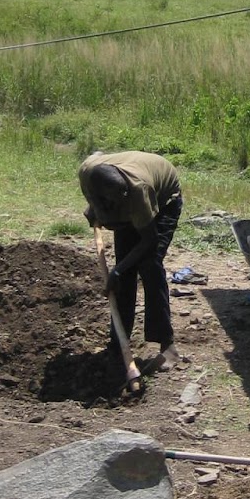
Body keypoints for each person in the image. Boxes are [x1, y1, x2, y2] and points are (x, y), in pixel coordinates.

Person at [78, 151, 183, 380]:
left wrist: (118, 269)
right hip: (119, 202)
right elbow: (95, 199)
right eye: (116, 198)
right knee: (123, 279)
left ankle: (167, 346)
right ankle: (118, 347)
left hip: (165, 200)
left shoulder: (137, 190)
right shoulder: (87, 173)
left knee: (149, 266)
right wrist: (95, 210)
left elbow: (149, 240)